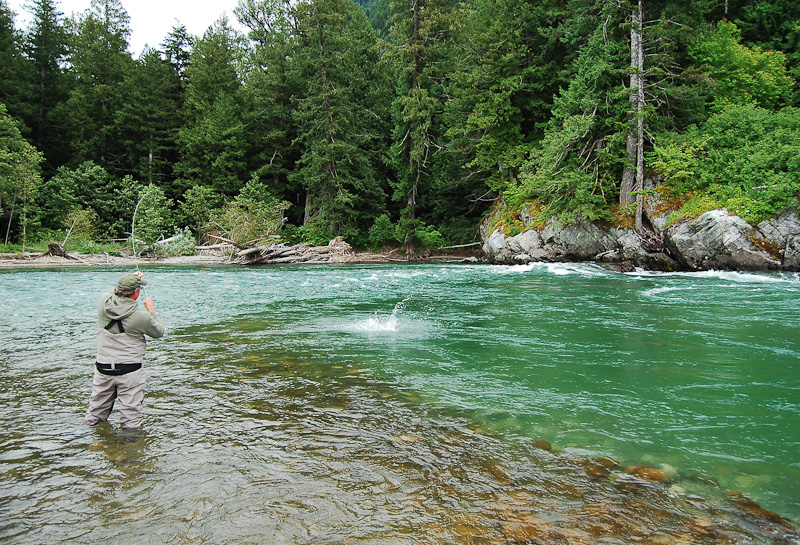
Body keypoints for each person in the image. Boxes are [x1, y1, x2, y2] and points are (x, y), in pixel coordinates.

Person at [82, 271, 164, 430]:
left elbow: (113, 292)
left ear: (118, 289)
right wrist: (151, 310)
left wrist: (129, 280)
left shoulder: (103, 302)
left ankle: (85, 443)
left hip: (103, 370)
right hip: (129, 373)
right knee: (130, 421)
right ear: (136, 293)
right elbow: (159, 332)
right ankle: (129, 451)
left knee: (94, 415)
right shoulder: (142, 316)